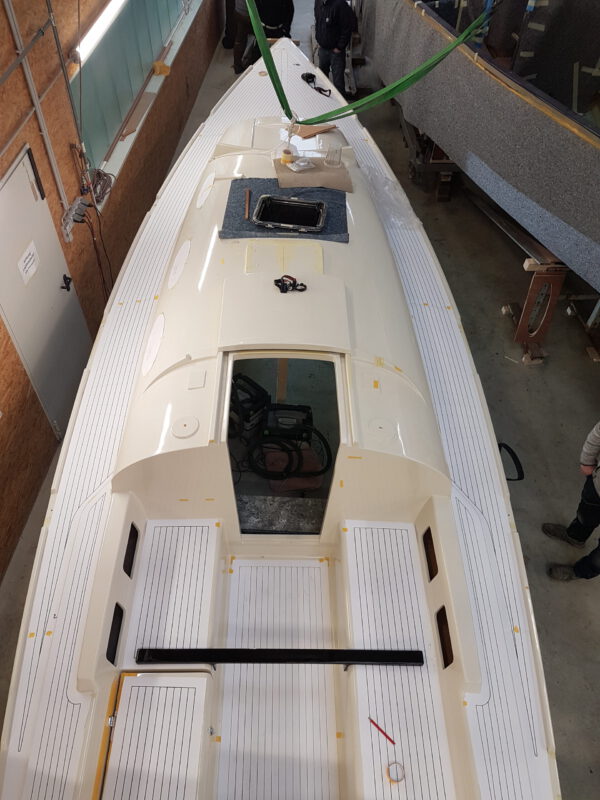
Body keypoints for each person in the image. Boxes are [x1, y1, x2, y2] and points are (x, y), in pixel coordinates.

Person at [544, 419, 600, 580]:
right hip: (597, 488)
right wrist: (587, 460)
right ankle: (575, 537)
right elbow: (598, 434)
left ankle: (579, 572)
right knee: (585, 515)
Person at [314, 0, 354, 97]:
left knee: (338, 82)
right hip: (323, 49)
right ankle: (325, 102)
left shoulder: (340, 5)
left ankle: (341, 104)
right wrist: (319, 39)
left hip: (336, 52)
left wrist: (340, 47)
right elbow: (318, 20)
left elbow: (347, 27)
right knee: (322, 80)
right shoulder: (318, 2)